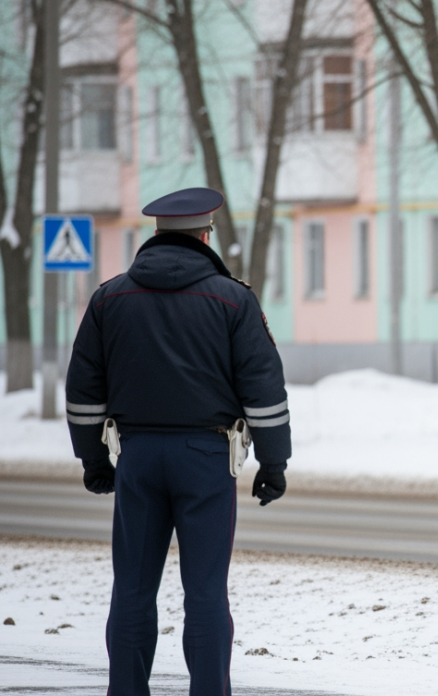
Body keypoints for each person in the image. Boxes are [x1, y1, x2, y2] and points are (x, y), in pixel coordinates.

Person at [65, 187, 291, 695]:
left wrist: (93, 458)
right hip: (207, 458)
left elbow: (83, 390)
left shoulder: (109, 297)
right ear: (205, 235)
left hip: (138, 457)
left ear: (157, 235)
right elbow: (263, 388)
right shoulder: (233, 299)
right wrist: (274, 463)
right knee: (207, 594)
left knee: (132, 591)